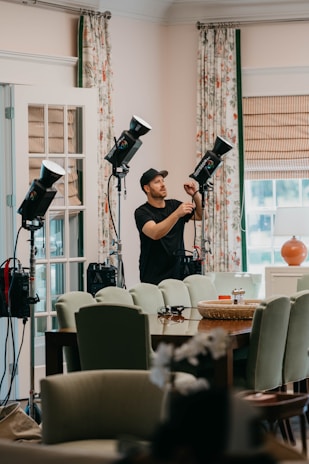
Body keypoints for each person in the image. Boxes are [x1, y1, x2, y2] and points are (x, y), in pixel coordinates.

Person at [134, 168, 203, 285]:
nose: (163, 185)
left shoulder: (174, 205)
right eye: (157, 182)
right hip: (153, 277)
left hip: (178, 274)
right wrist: (177, 214)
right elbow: (155, 233)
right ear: (147, 188)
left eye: (163, 181)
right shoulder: (142, 212)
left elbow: (199, 215)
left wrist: (195, 195)